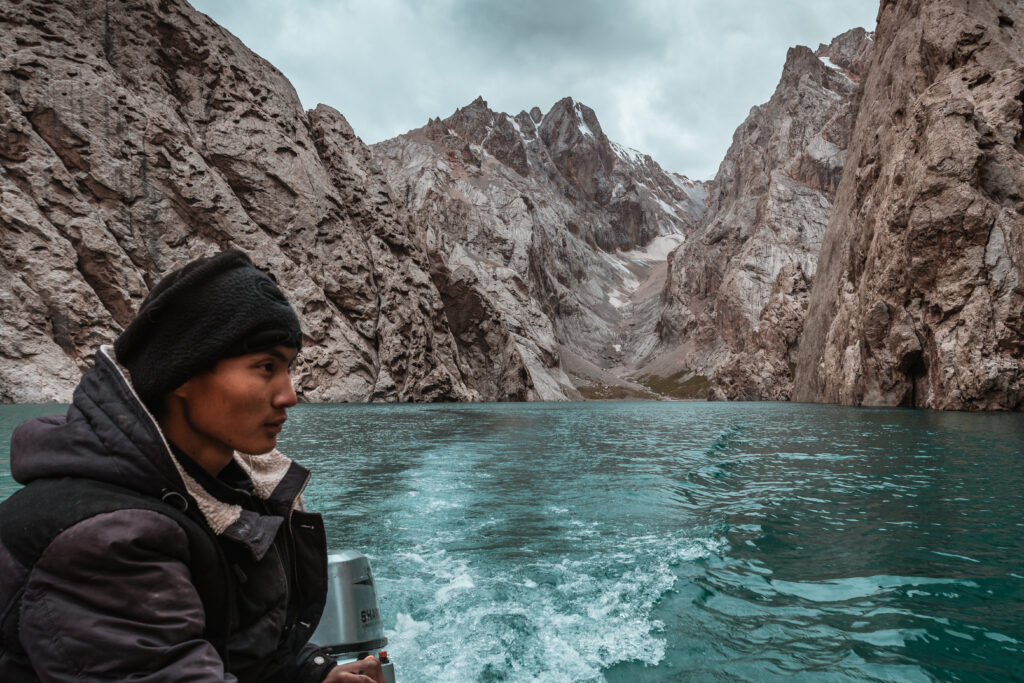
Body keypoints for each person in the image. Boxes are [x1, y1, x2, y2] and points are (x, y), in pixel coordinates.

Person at [0, 250, 384, 682]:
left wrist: (311, 675)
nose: (289, 395)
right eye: (266, 367)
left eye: (288, 368)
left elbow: (237, 648)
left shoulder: (214, 494)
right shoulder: (105, 538)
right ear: (183, 373)